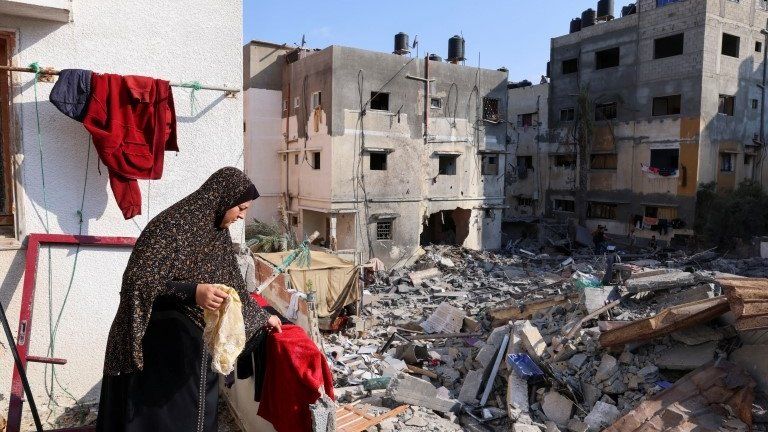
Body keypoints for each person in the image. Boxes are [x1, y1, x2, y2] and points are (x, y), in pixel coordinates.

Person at [96, 167, 282, 432]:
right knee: (158, 416)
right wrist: (193, 291)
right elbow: (137, 281)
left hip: (193, 346)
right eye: (240, 208)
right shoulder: (172, 226)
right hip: (157, 343)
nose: (242, 216)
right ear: (223, 198)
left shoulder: (216, 232)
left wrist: (262, 318)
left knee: (195, 413)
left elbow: (235, 286)